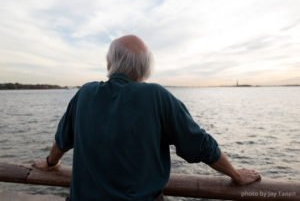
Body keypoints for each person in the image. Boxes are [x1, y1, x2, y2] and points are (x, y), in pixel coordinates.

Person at [33, 35, 261, 201]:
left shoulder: (85, 93)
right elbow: (198, 144)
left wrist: (51, 163)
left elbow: (63, 139)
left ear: (110, 63)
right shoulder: (156, 96)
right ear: (144, 67)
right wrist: (235, 175)